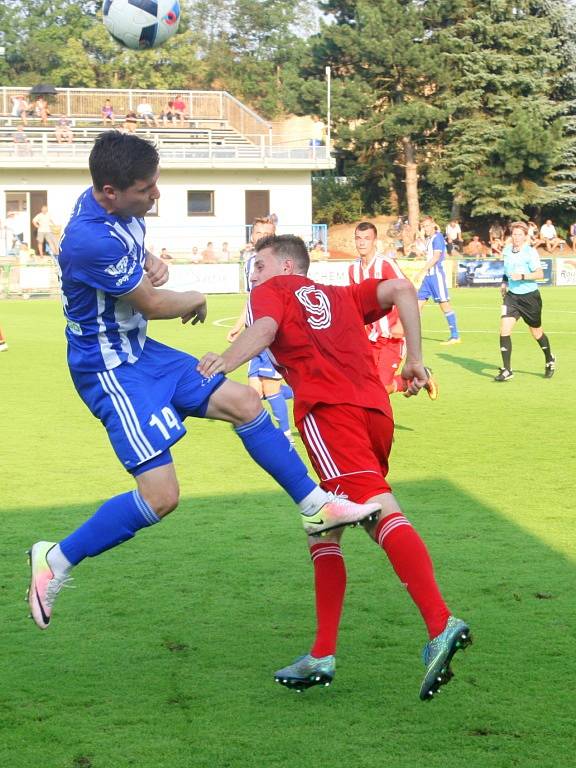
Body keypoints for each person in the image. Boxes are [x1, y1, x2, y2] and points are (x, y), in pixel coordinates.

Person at [27, 132, 379, 633]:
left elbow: (138, 268)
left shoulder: (115, 211)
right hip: (111, 371)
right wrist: (194, 295)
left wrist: (150, 261)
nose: (156, 196)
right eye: (146, 189)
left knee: (245, 402)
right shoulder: (88, 237)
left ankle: (314, 505)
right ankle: (55, 559)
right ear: (109, 191)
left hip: (142, 354)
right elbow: (151, 303)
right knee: (161, 497)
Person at [198, 234, 471, 701]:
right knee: (322, 526)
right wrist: (416, 361)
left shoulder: (274, 290)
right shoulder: (341, 293)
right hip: (376, 413)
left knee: (377, 510)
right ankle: (321, 653)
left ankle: (440, 622)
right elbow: (403, 290)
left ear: (286, 265)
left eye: (259, 265)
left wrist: (224, 361)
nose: (254, 274)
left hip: (329, 413)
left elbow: (263, 329)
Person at [349, 222, 437, 398]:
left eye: (367, 238)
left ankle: (419, 378)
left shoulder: (385, 264)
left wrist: (400, 322)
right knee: (363, 385)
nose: (362, 242)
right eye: (358, 238)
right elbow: (357, 303)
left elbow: (407, 290)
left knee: (379, 390)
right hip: (371, 338)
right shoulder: (353, 269)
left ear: (375, 241)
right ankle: (420, 377)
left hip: (392, 337)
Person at [228, 217, 293, 443]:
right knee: (255, 391)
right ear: (252, 236)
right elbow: (251, 299)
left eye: (267, 234)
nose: (262, 238)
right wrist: (239, 325)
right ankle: (300, 393)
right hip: (253, 331)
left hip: (270, 333)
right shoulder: (250, 263)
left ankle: (285, 436)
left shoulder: (281, 264)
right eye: (258, 233)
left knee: (269, 386)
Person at [495, 221, 556, 382]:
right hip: (512, 296)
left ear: (525, 236)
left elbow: (540, 274)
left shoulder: (530, 252)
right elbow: (507, 270)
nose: (516, 237)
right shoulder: (507, 250)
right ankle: (507, 370)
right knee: (504, 330)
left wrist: (521, 276)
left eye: (519, 235)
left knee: (536, 332)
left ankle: (549, 359)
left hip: (530, 297)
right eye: (514, 234)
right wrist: (504, 282)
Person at [416, 216, 461, 344]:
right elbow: (428, 253)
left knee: (444, 304)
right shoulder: (429, 239)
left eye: (427, 225)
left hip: (436, 277)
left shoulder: (438, 237)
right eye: (423, 226)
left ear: (433, 224)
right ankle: (413, 335)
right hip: (428, 278)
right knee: (417, 306)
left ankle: (455, 336)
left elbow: (436, 257)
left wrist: (422, 270)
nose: (425, 228)